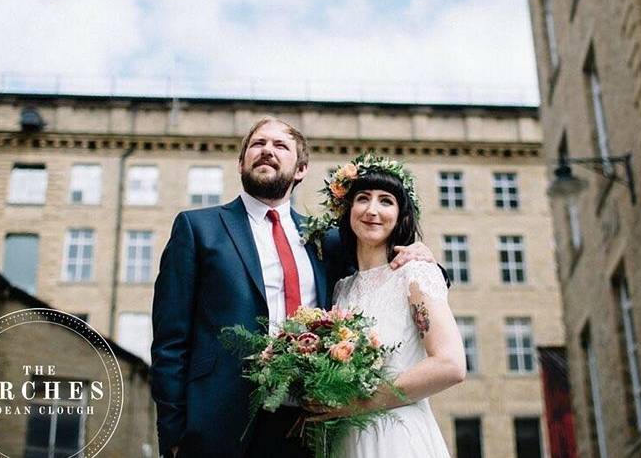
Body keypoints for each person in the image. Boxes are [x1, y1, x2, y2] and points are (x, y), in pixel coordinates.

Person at [150, 117, 439, 458]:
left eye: (280, 146)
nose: (267, 151)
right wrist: (173, 434)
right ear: (241, 162)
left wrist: (425, 259)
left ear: (301, 169)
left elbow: (382, 277)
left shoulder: (327, 241)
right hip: (218, 426)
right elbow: (170, 342)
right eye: (257, 144)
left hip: (311, 423)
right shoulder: (197, 229)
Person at [306, 155, 467, 457]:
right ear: (348, 210)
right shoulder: (341, 289)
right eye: (363, 199)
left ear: (401, 215)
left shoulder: (416, 273)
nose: (372, 210)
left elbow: (451, 365)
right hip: (346, 439)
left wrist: (355, 404)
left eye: (386, 201)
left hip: (398, 435)